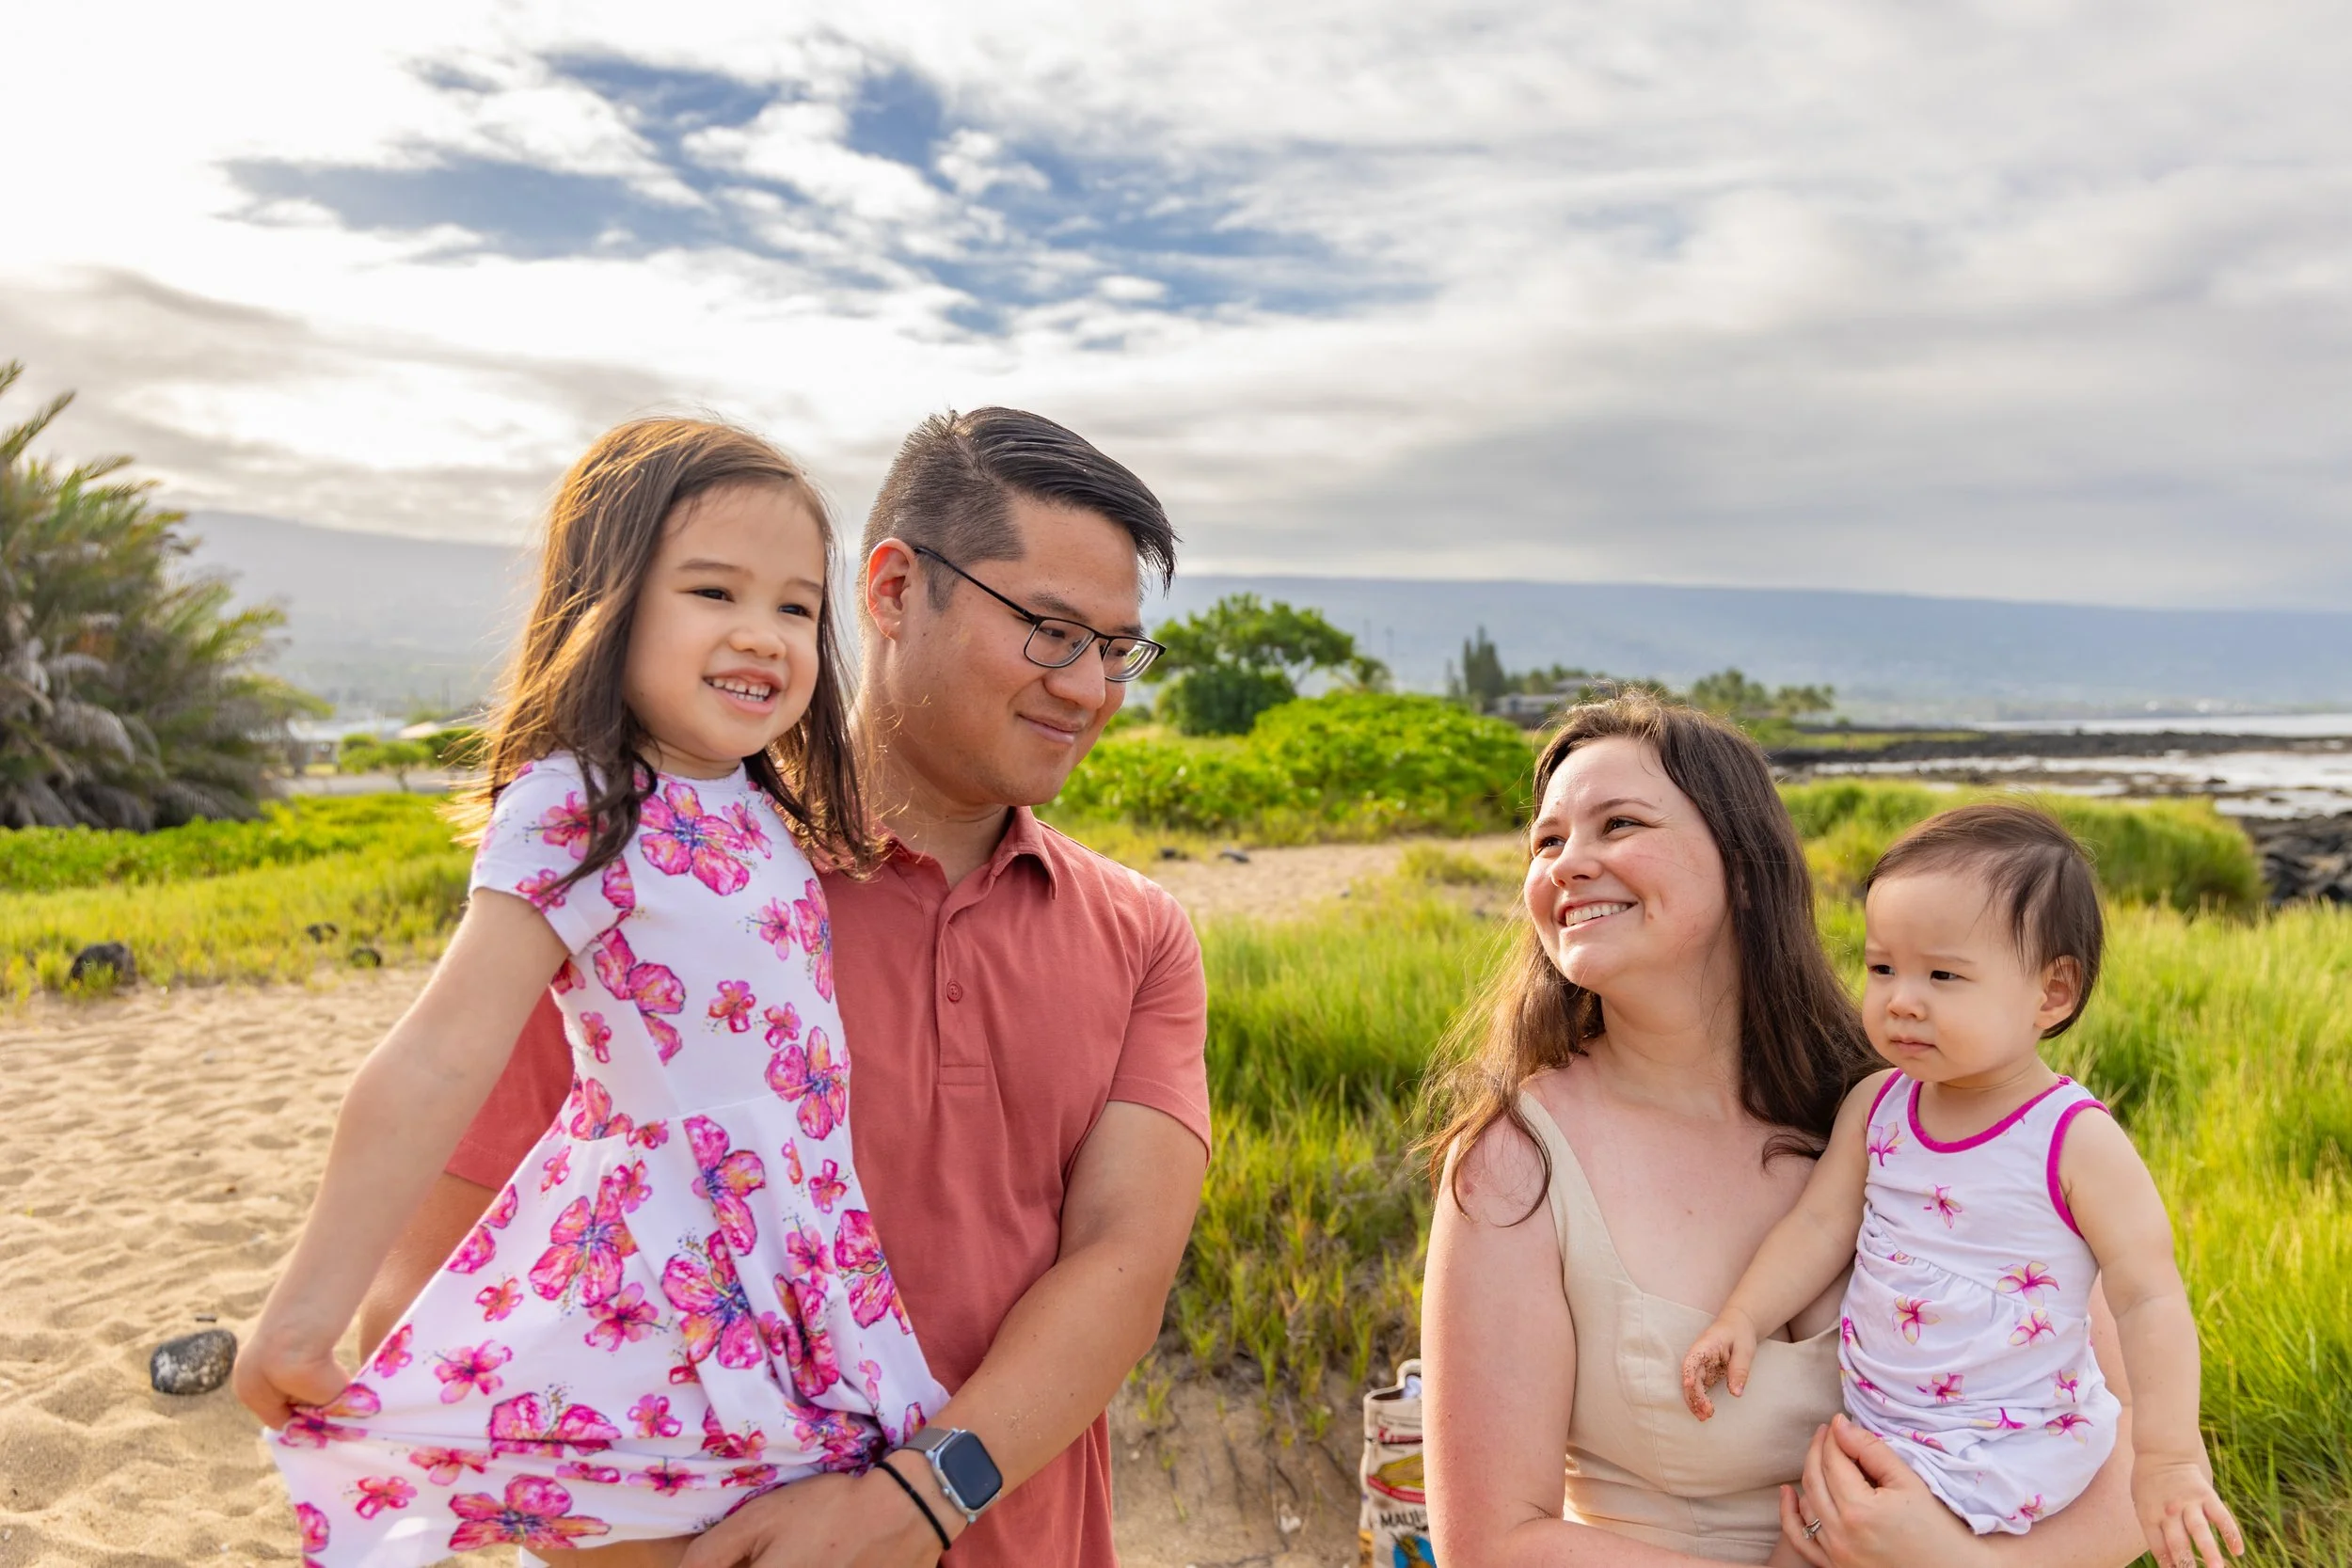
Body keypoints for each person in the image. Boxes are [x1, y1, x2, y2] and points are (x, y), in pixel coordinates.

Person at [345, 407, 1211, 1568]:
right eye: (1053, 631)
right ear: (895, 588)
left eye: (1118, 646)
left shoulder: (1141, 933)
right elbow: (419, 1290)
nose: (1092, 686)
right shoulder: (653, 880)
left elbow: (1122, 1264)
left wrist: (911, 1502)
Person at [240, 417, 948, 1562]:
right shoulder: (581, 801)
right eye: (713, 591)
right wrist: (308, 1306)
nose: (761, 635)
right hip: (652, 1285)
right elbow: (437, 1057)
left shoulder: (763, 808)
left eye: (796, 605)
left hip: (796, 1269)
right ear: (606, 601)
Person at [1419, 696, 2149, 1568]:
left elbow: (2136, 1437)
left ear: (1747, 866)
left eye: (1619, 823)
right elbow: (1492, 1544)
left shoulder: (1925, 1110)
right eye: (1546, 841)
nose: (1569, 863)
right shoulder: (1513, 1162)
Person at [1680, 804, 2241, 1568]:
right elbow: (1819, 1226)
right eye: (1883, 968)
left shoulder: (2073, 1138)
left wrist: (2169, 1456)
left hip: (2008, 1445)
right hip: (1883, 1426)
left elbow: (2149, 1296)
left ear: (2052, 993)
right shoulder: (1876, 1106)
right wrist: (1744, 1315)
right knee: (1809, 1545)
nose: (1903, 998)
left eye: (1943, 974)